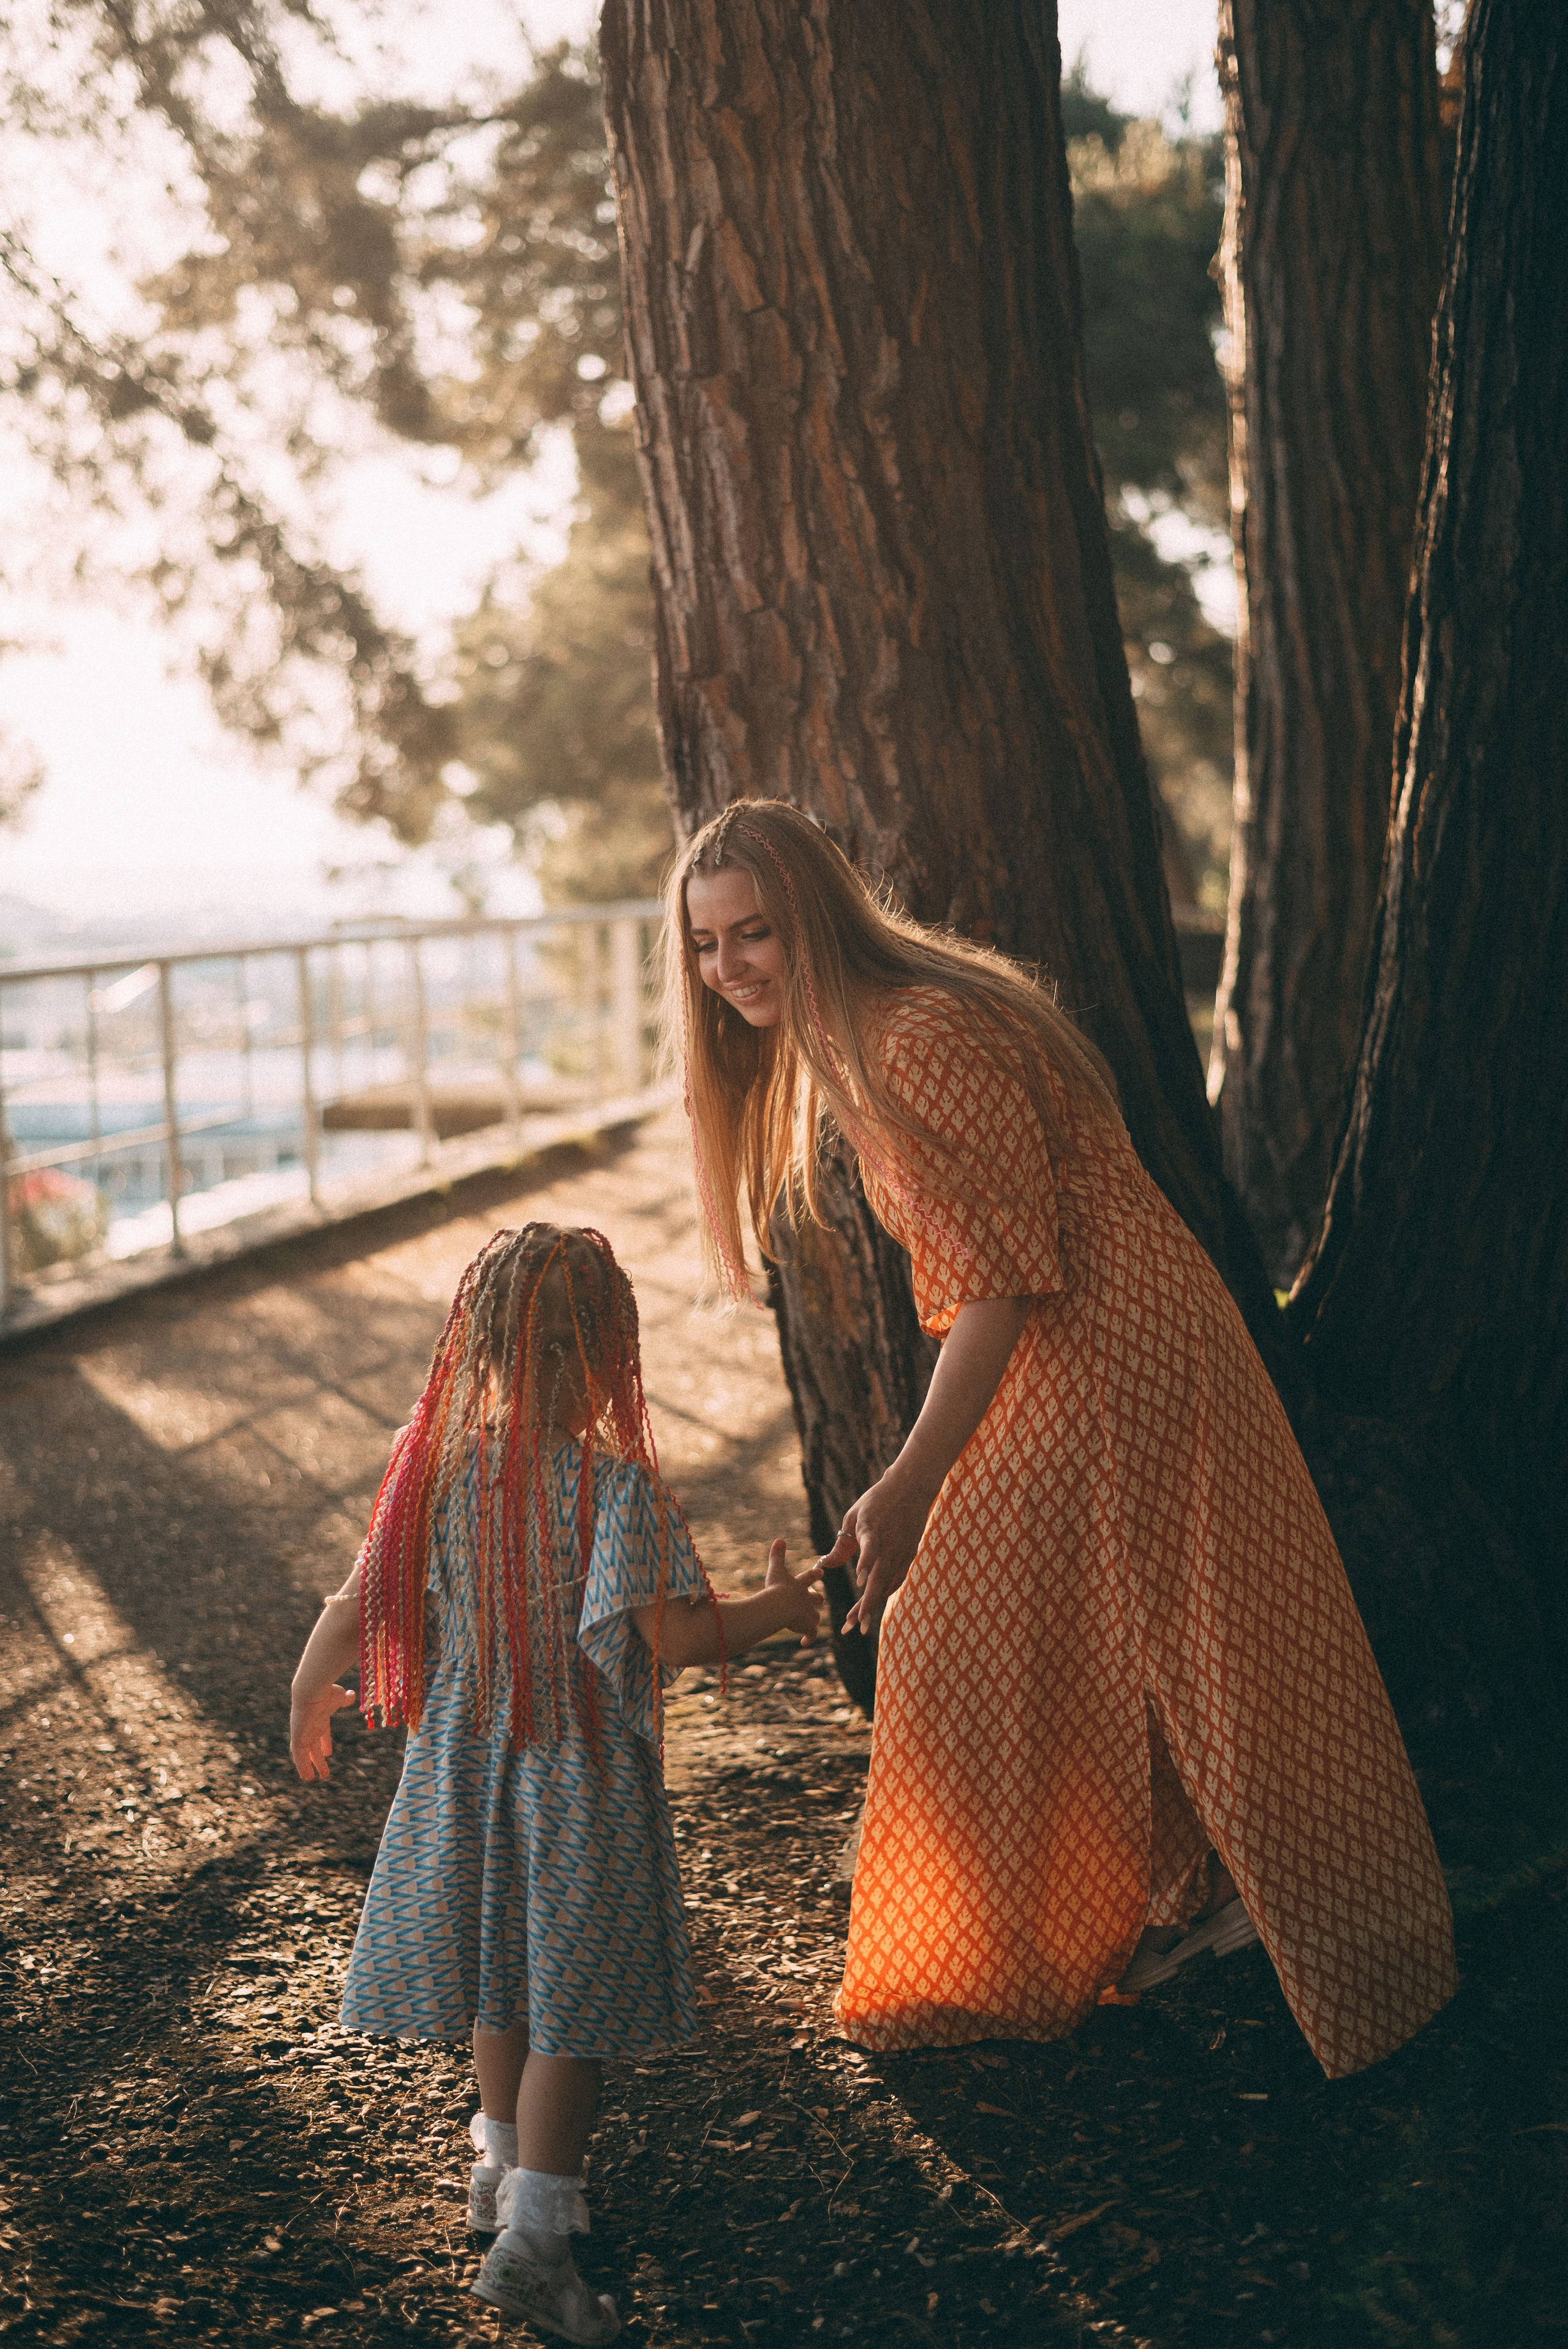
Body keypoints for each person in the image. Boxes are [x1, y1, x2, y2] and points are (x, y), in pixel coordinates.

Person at [667, 798, 1456, 2081]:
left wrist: (911, 1480)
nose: (729, 968)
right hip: (1093, 1328)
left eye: (753, 932)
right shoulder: (862, 1036)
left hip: (1104, 1339)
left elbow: (1002, 1279)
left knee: (982, 1617)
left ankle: (1041, 1941)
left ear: (813, 913)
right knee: (1068, 1613)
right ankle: (1181, 1894)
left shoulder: (913, 1034)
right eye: (706, 946)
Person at [288, 1223, 822, 2343]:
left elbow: (357, 1601)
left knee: (500, 1989)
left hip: (463, 1781)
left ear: (477, 1348)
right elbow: (673, 1639)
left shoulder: (432, 1474)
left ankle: (497, 2169)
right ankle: (537, 2246)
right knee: (568, 2021)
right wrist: (782, 1609)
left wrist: (306, 1696)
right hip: (576, 1793)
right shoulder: (614, 1491)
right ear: (606, 1359)